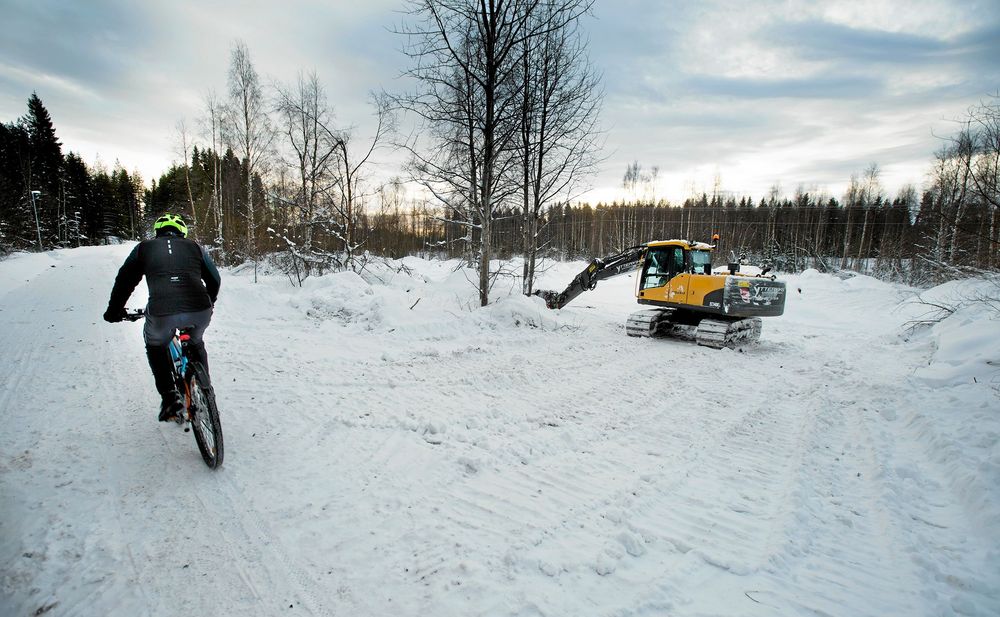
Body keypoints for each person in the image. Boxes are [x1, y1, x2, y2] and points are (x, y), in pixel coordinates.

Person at [103, 213, 221, 421]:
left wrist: (114, 311)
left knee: (155, 345)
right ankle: (205, 390)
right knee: (196, 342)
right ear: (182, 232)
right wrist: (209, 301)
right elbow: (214, 279)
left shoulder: (143, 248)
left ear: (157, 231)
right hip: (200, 309)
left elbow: (124, 282)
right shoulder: (195, 247)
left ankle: (169, 398)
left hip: (162, 312)